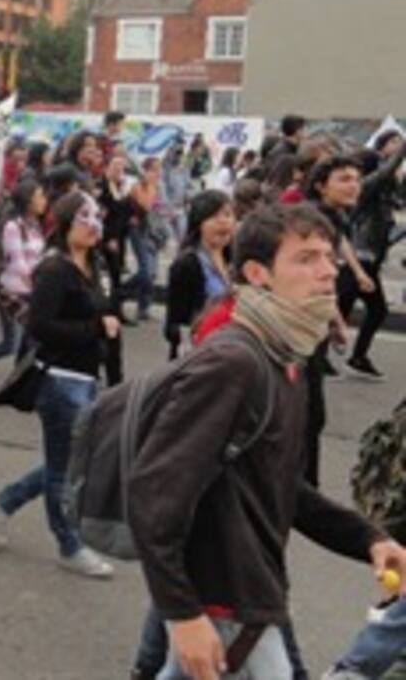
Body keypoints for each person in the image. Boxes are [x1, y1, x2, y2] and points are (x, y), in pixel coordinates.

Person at [130, 203, 406, 680]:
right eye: (305, 259)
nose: (326, 271)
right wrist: (182, 615)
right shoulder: (234, 363)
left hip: (252, 591)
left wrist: (369, 540)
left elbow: (282, 486)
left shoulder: (287, 356)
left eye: (328, 257)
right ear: (258, 273)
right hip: (228, 601)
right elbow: (154, 494)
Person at [0, 191, 117, 579]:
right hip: (59, 381)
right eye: (84, 217)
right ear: (64, 222)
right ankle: (69, 545)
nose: (93, 225)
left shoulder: (93, 265)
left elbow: (108, 321)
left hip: (89, 377)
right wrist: (94, 328)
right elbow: (40, 325)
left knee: (71, 461)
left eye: (97, 217)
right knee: (66, 470)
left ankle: (6, 500)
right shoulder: (54, 270)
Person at [305, 154, 367, 483]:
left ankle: (302, 484)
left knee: (311, 413)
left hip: (313, 323)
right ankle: (300, 487)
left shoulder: (333, 218)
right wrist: (334, 319)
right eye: (344, 178)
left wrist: (336, 321)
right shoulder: (315, 220)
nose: (353, 184)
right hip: (297, 325)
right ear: (320, 185)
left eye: (356, 178)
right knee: (307, 413)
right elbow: (318, 276)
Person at [346, 131, 405, 378]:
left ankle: (355, 355)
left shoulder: (380, 192)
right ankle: (355, 355)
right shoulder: (368, 185)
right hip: (362, 256)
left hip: (368, 255)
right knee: (373, 308)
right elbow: (386, 171)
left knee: (342, 307)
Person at [0, 178, 47, 371]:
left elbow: (39, 255)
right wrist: (41, 279)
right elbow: (18, 263)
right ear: (28, 200)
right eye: (40, 196)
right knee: (12, 344)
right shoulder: (13, 227)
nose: (44, 200)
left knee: (30, 340)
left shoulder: (34, 225)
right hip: (12, 292)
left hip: (31, 290)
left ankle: (22, 380)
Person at [163, 191, 235, 360]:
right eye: (214, 216)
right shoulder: (187, 265)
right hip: (199, 356)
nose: (223, 221)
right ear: (199, 223)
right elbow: (173, 327)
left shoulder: (235, 262)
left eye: (228, 215)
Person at [124, 157, 162, 322]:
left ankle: (143, 307)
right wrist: (152, 188)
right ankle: (122, 292)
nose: (156, 174)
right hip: (138, 230)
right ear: (144, 171)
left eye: (158, 170)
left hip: (153, 230)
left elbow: (159, 209)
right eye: (152, 170)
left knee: (152, 272)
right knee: (145, 269)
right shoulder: (137, 186)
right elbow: (146, 206)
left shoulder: (157, 187)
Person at [100, 154, 131, 312]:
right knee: (110, 272)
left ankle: (117, 309)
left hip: (121, 235)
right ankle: (108, 309)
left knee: (117, 273)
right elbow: (103, 214)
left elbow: (125, 210)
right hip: (107, 235)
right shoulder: (103, 186)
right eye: (115, 167)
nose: (119, 170)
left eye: (122, 168)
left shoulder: (123, 187)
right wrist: (109, 237)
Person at [161, 143, 192, 244]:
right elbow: (162, 190)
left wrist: (188, 200)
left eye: (180, 154)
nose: (178, 156)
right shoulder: (164, 170)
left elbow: (188, 186)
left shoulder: (184, 169)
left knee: (183, 236)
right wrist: (167, 208)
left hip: (180, 208)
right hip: (167, 209)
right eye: (176, 153)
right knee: (170, 239)